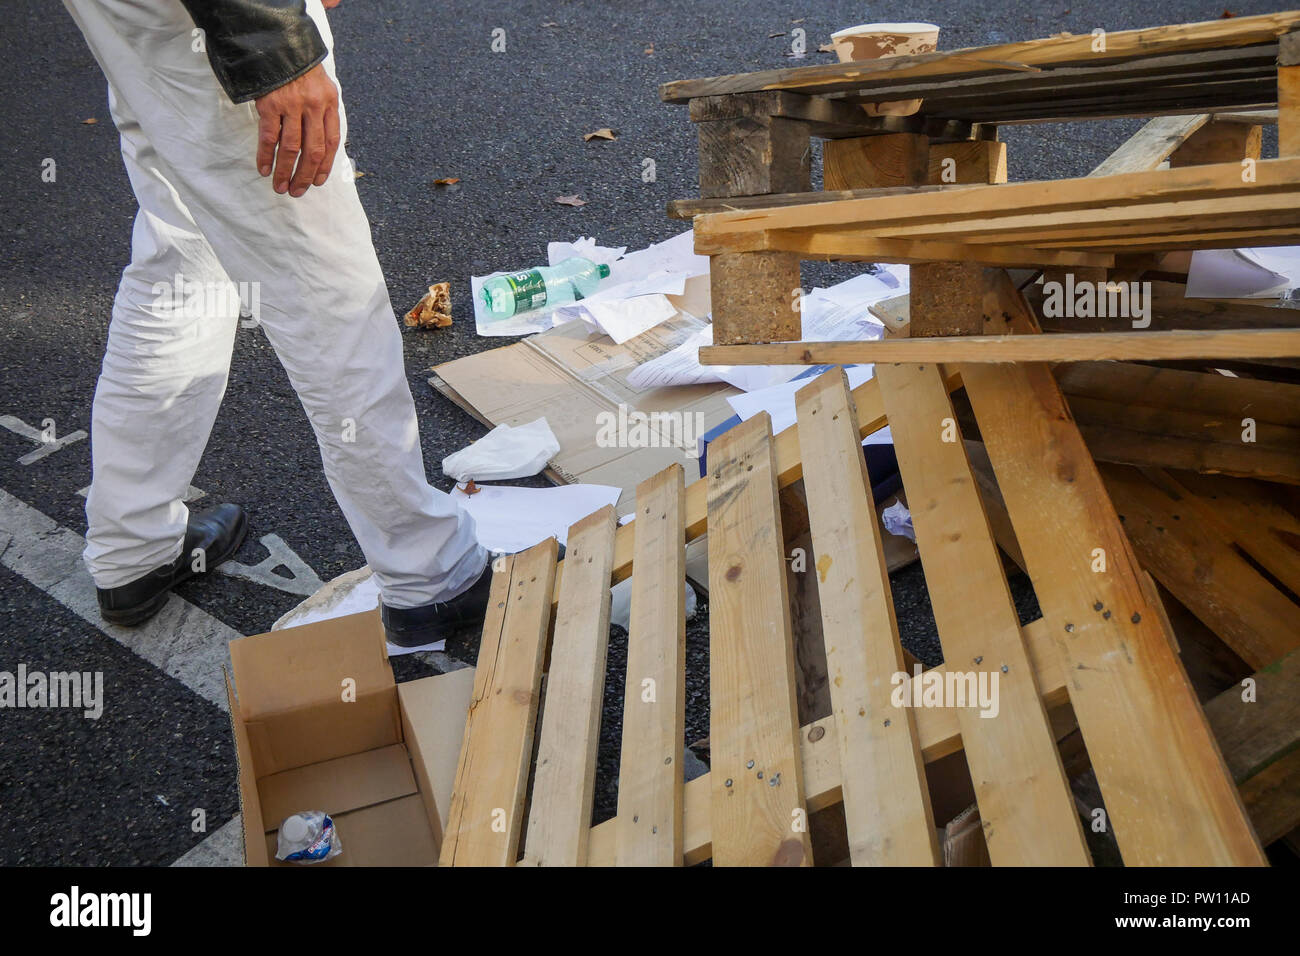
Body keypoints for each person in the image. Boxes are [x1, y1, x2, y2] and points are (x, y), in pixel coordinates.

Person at [61, 0, 494, 646]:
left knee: (183, 246)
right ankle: (431, 571)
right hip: (224, 21)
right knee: (321, 277)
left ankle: (133, 542)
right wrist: (272, 44)